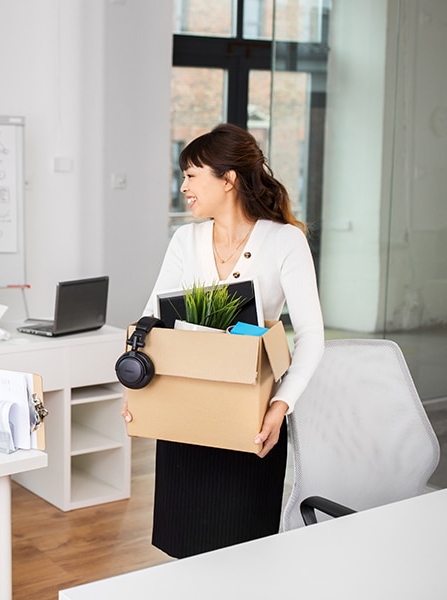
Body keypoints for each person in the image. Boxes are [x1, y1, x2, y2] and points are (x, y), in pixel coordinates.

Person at [122, 123, 324, 558]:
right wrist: (136, 391)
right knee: (184, 546)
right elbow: (150, 319)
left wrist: (280, 406)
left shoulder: (284, 240)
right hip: (184, 413)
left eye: (192, 175)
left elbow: (311, 337)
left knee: (244, 551)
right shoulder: (185, 239)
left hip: (249, 416)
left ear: (228, 178)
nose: (183, 187)